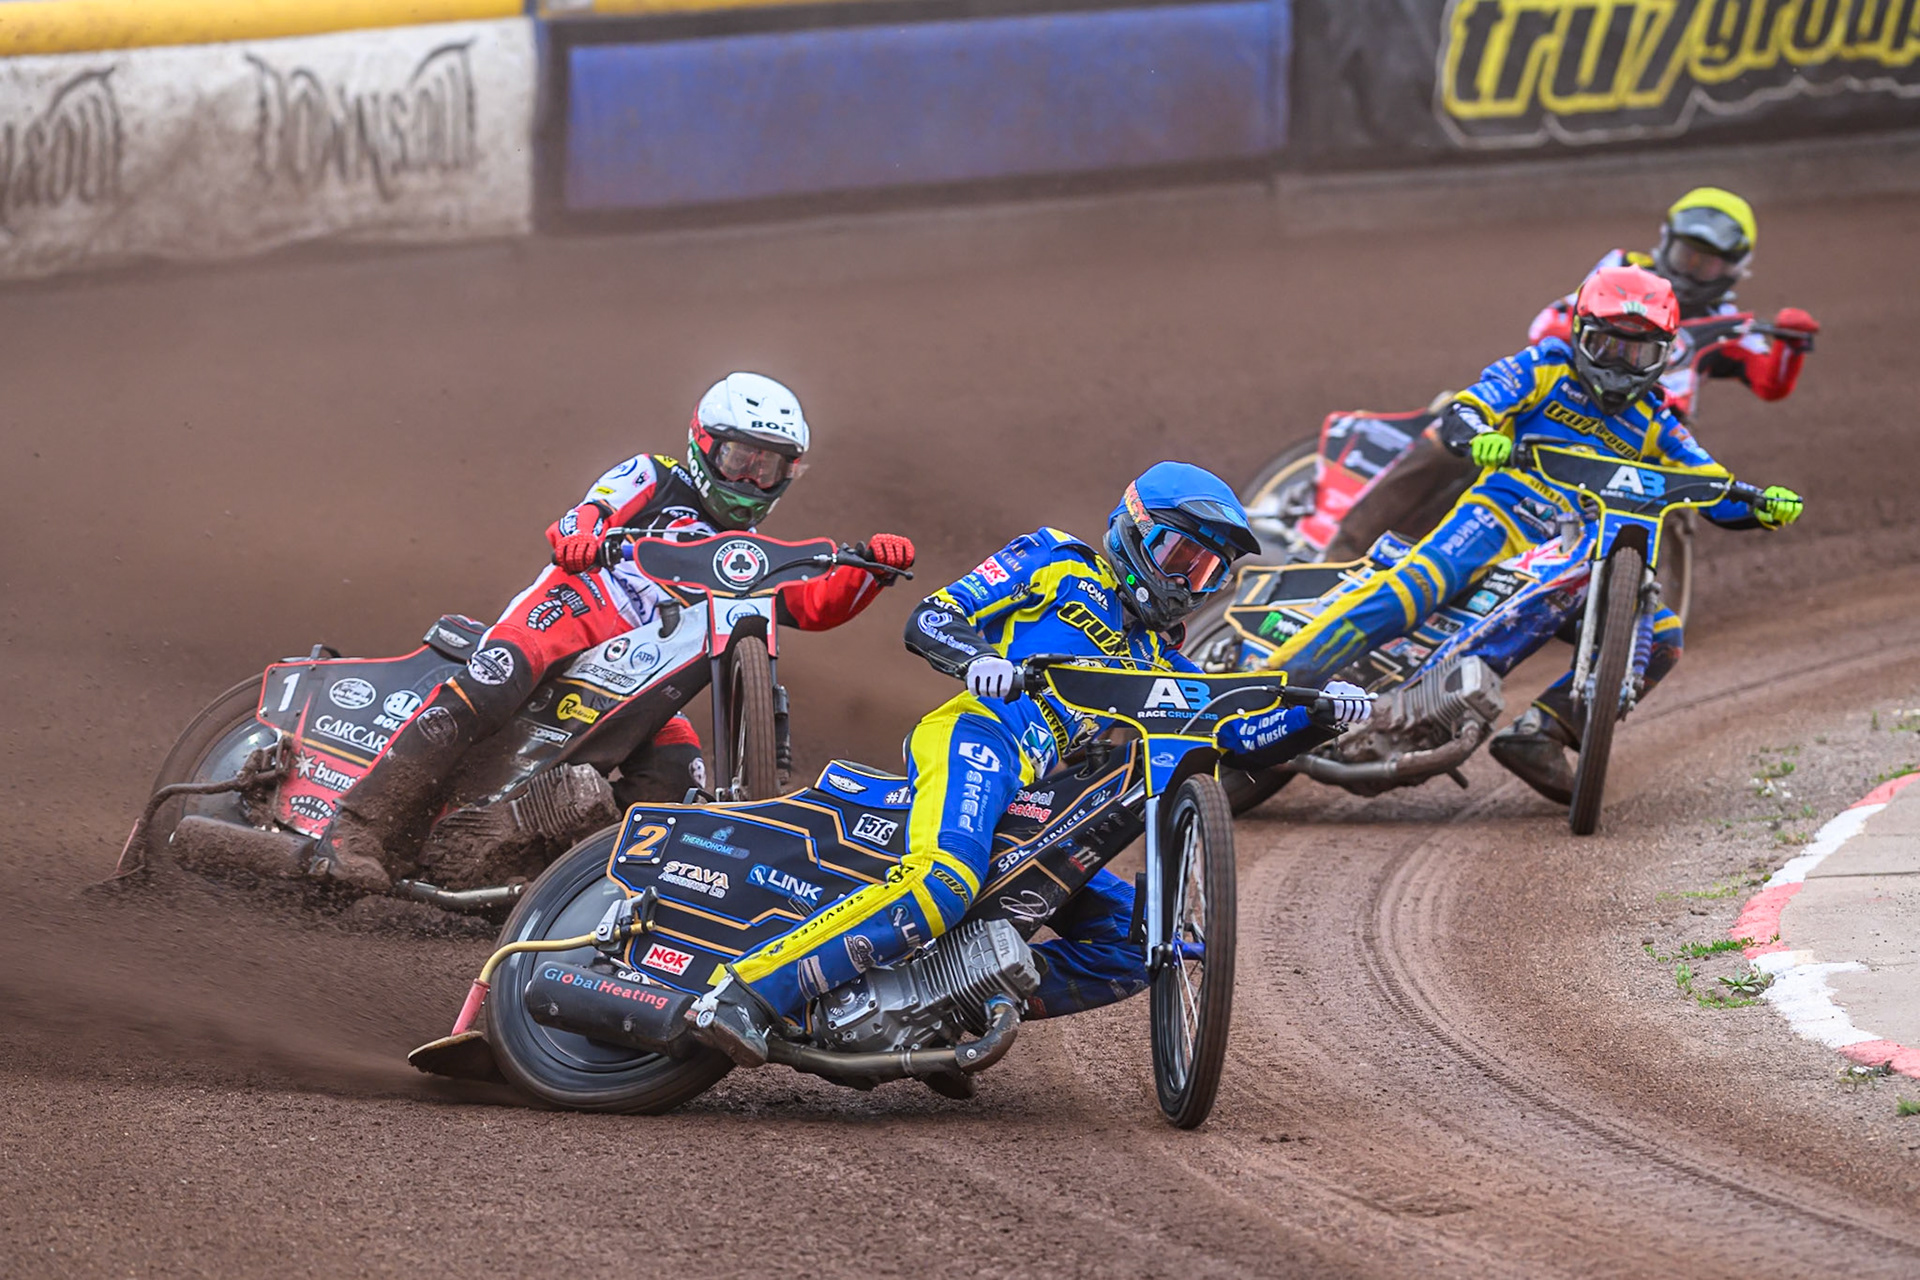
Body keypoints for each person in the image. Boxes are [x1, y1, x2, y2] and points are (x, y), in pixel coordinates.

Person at [687, 461, 1372, 1065]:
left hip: (1036, 797)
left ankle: (944, 1009)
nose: (1189, 580)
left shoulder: (1162, 662)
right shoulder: (1057, 561)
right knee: (945, 880)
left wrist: (1316, 717)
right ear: (1134, 530)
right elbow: (933, 615)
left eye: (1207, 569)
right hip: (978, 738)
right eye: (1180, 554)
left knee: (1132, 944)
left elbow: (1237, 739)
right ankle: (745, 995)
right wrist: (979, 661)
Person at [310, 372, 917, 891]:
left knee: (677, 773)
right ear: (703, 445)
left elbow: (810, 605)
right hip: (568, 613)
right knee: (495, 683)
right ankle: (356, 828)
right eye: (740, 459)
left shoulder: (746, 556)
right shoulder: (653, 475)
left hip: (639, 669)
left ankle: (546, 874)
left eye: (770, 467)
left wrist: (875, 573)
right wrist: (580, 538)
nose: (751, 480)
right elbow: (591, 510)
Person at [1258, 266, 1804, 804]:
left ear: (1662, 355)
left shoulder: (1657, 420)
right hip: (1501, 517)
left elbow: (1711, 487)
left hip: (1577, 552)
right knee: (1415, 588)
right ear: (1579, 335)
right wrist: (1481, 439)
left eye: (1636, 353)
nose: (1620, 364)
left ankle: (1543, 734)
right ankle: (1267, 688)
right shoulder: (1545, 366)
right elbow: (1469, 408)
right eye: (1607, 345)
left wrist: (1761, 502)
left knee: (1661, 637)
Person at [1326, 187, 1817, 561]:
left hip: (1649, 430)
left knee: (1663, 501)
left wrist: (1792, 346)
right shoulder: (1621, 272)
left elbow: (1770, 382)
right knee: (1447, 443)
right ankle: (1343, 550)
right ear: (1667, 241)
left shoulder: (1729, 323)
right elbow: (1548, 322)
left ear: (1733, 269)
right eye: (1689, 254)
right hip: (1562, 396)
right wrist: (1566, 368)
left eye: (1708, 263)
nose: (1693, 268)